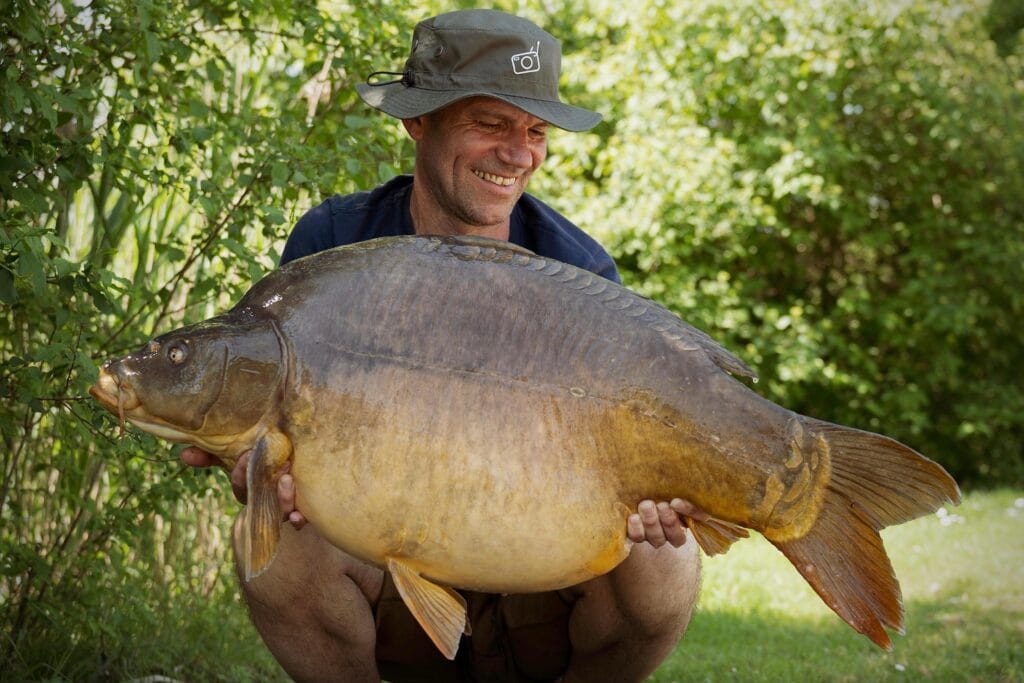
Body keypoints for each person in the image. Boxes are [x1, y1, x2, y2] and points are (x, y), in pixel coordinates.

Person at [183, 9, 703, 682]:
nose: (519, 153)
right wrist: (259, 476)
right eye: (491, 123)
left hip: (539, 576)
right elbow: (276, 443)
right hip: (387, 578)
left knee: (668, 561)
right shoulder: (333, 251)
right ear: (417, 120)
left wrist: (661, 498)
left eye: (535, 130)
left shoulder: (579, 274)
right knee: (273, 544)